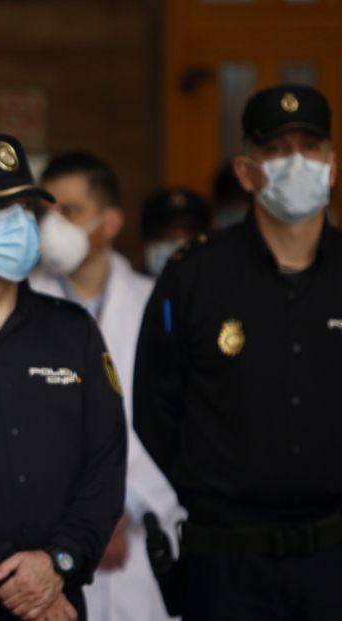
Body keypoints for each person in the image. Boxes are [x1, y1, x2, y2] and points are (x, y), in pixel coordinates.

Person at [134, 83, 342, 620]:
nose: (296, 162)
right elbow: (156, 408)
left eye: (310, 146)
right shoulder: (194, 276)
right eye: (276, 149)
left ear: (331, 163)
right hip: (226, 564)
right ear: (246, 169)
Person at [0, 135, 127, 621]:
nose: (18, 221)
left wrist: (59, 563)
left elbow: (106, 462)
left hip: (59, 599)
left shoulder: (72, 328)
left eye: (24, 206)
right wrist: (15, 576)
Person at [29, 152, 184, 621]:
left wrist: (124, 506)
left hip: (145, 534)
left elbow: (181, 423)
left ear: (111, 222)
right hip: (48, 537)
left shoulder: (157, 304)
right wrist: (84, 521)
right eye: (46, 212)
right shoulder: (22, 304)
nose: (53, 225)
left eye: (70, 211)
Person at [139, 188, 212, 277]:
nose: (179, 244)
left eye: (188, 237)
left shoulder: (219, 287)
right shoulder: (131, 288)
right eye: (167, 236)